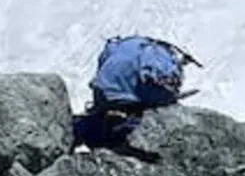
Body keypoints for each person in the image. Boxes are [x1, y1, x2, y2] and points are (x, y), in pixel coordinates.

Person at [72, 35, 201, 155]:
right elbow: (151, 82)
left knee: (98, 122)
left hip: (102, 89)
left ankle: (81, 131)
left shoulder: (129, 44)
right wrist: (167, 99)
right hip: (124, 97)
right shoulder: (159, 58)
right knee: (125, 124)